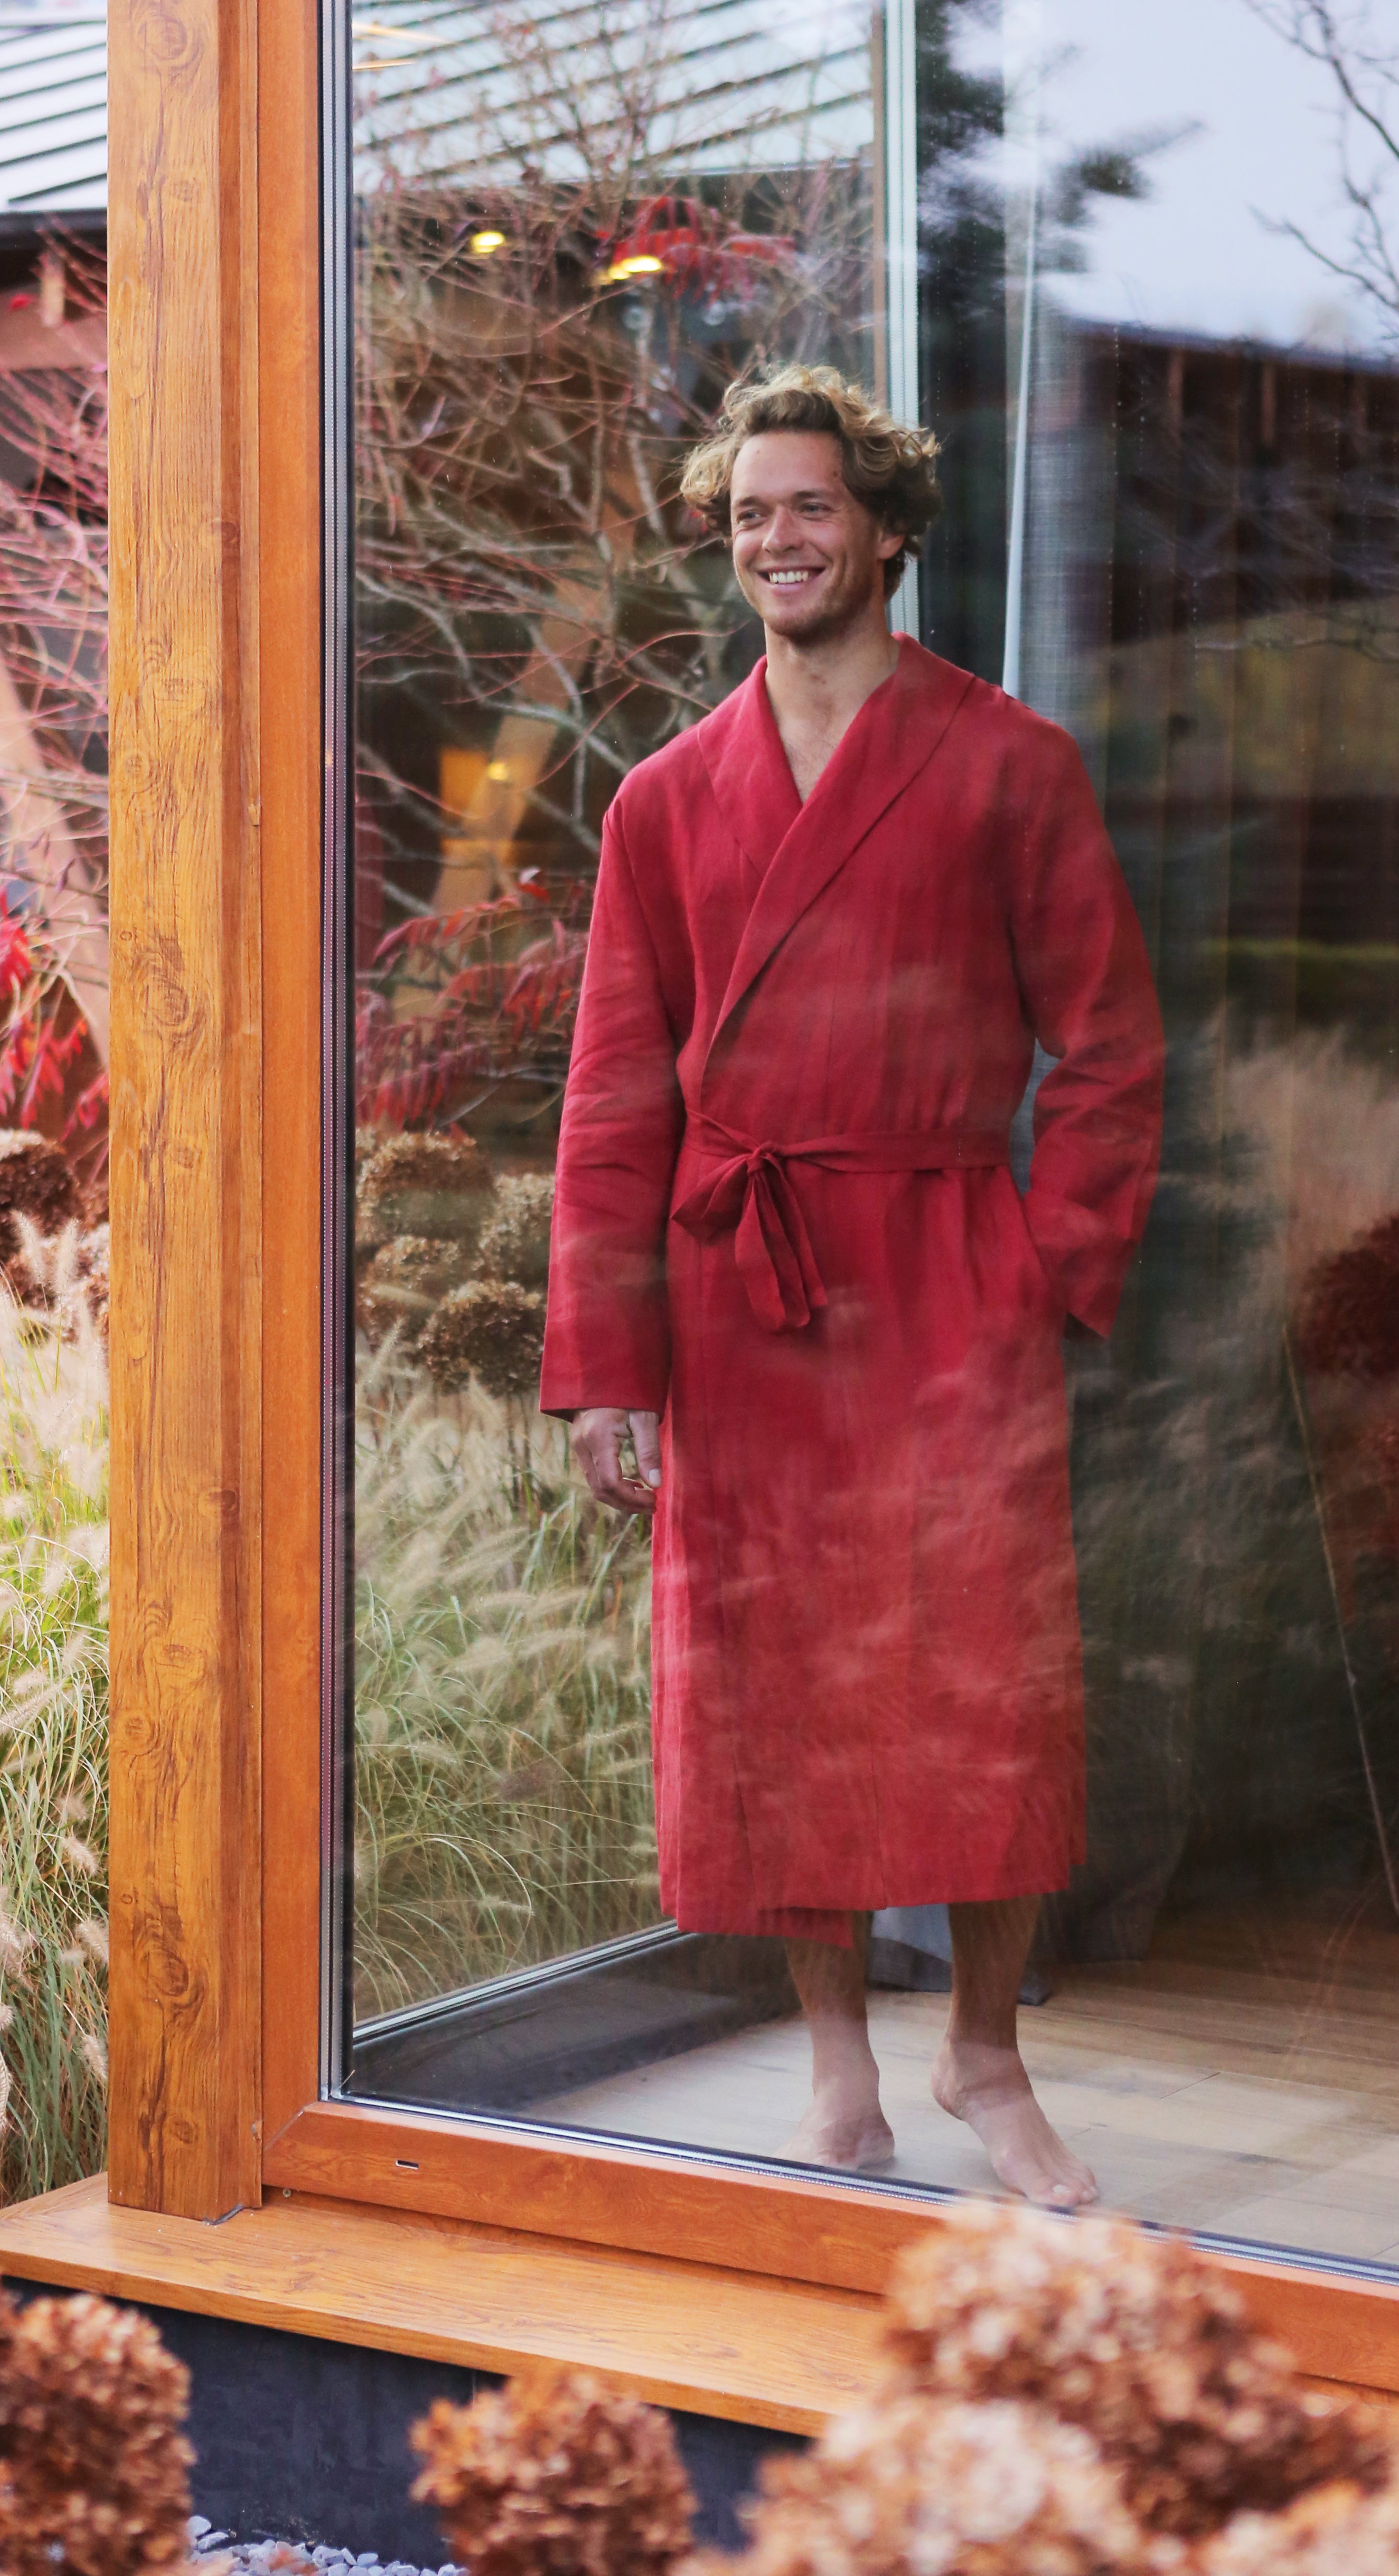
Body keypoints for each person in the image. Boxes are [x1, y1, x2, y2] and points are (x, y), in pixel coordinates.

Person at [540, 365, 1163, 2207]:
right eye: (748, 515)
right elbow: (612, 1100)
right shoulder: (665, 800)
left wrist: (1043, 1267)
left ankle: (986, 2053)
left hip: (949, 1281)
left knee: (989, 1679)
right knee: (779, 1691)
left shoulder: (1007, 763)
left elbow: (1112, 1053)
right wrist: (606, 1370)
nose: (776, 541)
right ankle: (839, 2067)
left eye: (809, 508)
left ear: (886, 529)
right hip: (746, 1295)